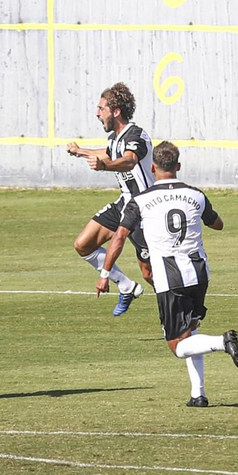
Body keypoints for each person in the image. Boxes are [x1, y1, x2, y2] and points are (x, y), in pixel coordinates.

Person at [99, 141, 238, 406]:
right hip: (199, 272)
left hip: (170, 277)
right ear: (178, 166)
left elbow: (119, 237)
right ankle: (198, 394)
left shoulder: (140, 200)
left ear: (153, 168)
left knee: (178, 346)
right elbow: (218, 224)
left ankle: (222, 342)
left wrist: (105, 272)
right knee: (191, 332)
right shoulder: (196, 195)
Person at [65, 82, 154, 317]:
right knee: (83, 244)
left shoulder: (136, 135)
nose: (97, 113)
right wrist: (80, 151)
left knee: (150, 273)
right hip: (124, 202)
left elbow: (129, 160)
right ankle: (126, 286)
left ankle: (182, 309)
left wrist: (104, 166)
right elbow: (107, 153)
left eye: (101, 108)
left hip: (144, 207)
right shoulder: (116, 137)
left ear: (115, 111)